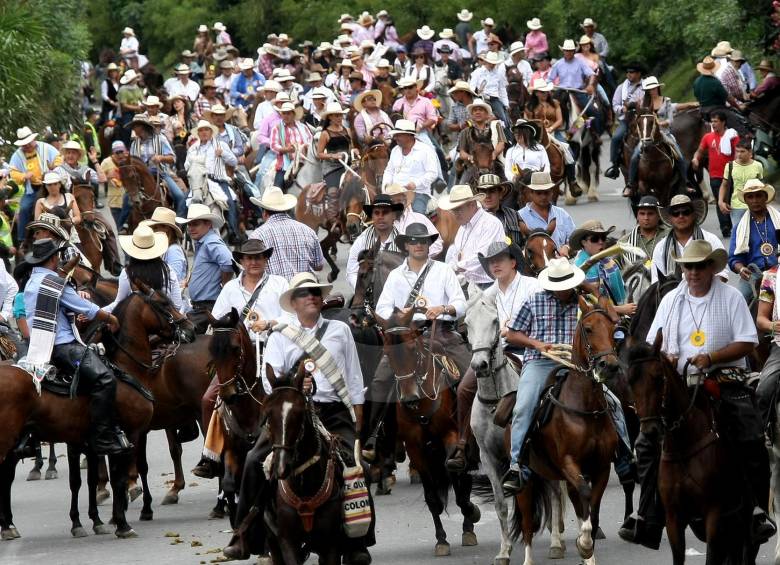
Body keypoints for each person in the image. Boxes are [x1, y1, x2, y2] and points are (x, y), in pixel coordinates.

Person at [223, 272, 373, 564]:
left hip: (331, 410)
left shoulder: (339, 330)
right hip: (290, 412)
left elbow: (353, 376)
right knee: (255, 460)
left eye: (316, 292)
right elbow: (270, 381)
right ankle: (243, 535)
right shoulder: (280, 333)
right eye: (305, 294)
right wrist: (293, 386)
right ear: (293, 302)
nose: (312, 297)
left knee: (359, 466)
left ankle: (359, 542)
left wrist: (358, 417)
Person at [641, 240, 775, 547]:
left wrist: (711, 357)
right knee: (645, 441)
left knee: (750, 435)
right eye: (688, 266)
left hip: (723, 379)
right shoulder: (671, 300)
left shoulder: (730, 298)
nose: (692, 272)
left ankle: (755, 510)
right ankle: (647, 516)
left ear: (712, 268)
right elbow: (654, 346)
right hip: (677, 385)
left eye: (699, 266)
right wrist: (667, 358)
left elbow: (748, 342)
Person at [502, 257, 634, 493]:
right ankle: (516, 465)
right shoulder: (534, 301)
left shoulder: (584, 304)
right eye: (558, 284)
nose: (563, 289)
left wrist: (592, 289)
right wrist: (537, 344)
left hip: (577, 365)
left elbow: (613, 320)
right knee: (524, 406)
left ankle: (625, 455)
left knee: (613, 402)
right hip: (540, 362)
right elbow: (512, 335)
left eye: (567, 284)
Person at [22, 238, 131, 455]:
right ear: (53, 258)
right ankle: (102, 438)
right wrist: (111, 319)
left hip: (38, 347)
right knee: (106, 379)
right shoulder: (55, 284)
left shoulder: (33, 282)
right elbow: (86, 307)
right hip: (64, 348)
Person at [191, 239, 287, 479]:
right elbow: (219, 321)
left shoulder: (279, 284)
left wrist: (270, 323)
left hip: (271, 349)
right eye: (249, 258)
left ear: (266, 259)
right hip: (237, 356)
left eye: (258, 257)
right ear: (241, 261)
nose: (254, 262)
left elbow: (289, 317)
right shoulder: (231, 288)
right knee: (208, 399)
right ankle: (212, 455)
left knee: (291, 393)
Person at [446, 240, 542, 472]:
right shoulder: (486, 295)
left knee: (545, 387)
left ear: (513, 261)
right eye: (491, 262)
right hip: (494, 352)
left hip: (526, 348)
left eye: (500, 260)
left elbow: (541, 319)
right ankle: (463, 444)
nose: (495, 265)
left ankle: (543, 437)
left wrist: (516, 331)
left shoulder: (533, 286)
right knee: (464, 389)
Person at [625, 76, 697, 198]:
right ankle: (630, 184)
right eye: (650, 89)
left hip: (664, 133)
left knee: (679, 156)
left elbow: (670, 119)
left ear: (658, 88)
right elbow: (640, 119)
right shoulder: (642, 103)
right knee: (634, 156)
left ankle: (685, 182)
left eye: (654, 88)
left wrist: (660, 123)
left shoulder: (666, 101)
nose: (652, 90)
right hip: (647, 134)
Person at [103, 224, 183, 314]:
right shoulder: (168, 270)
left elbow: (119, 303)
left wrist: (98, 312)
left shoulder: (127, 273)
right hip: (165, 323)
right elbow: (177, 305)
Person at [248, 187, 324, 280]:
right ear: (285, 209)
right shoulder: (308, 230)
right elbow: (318, 265)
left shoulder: (257, 236)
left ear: (264, 213)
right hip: (306, 290)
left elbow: (254, 271)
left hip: (275, 291)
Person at [651, 195, 729, 283]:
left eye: (686, 212)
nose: (681, 216)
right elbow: (656, 280)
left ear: (693, 215)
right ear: (670, 218)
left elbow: (723, 273)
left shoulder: (710, 239)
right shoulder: (661, 247)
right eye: (675, 213)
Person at [440, 184, 506, 288]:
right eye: (453, 210)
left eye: (459, 209)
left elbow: (482, 257)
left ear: (472, 204)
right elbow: (457, 255)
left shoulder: (491, 223)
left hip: (488, 284)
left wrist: (455, 267)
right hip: (468, 283)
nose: (455, 214)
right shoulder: (462, 228)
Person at [185, 120, 239, 241]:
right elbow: (186, 166)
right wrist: (192, 164)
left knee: (230, 201)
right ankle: (184, 229)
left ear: (211, 132)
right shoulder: (193, 148)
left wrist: (223, 154)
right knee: (184, 202)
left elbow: (234, 161)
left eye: (206, 130)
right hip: (199, 181)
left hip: (218, 180)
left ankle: (232, 231)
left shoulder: (221, 145)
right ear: (198, 133)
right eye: (201, 130)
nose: (204, 132)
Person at [728, 180, 779, 302]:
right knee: (739, 299)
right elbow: (733, 258)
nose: (755, 200)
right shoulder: (739, 227)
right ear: (745, 200)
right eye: (750, 197)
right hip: (753, 275)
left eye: (758, 195)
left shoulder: (778, 219)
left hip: (778, 271)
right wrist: (741, 269)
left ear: (765, 197)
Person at [8, 127, 63, 242]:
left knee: (68, 198)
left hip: (51, 184)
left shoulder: (46, 147)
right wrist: (23, 176)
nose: (27, 146)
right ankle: (22, 240)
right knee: (24, 208)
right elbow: (13, 172)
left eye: (28, 143)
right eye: (24, 145)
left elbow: (59, 158)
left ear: (33, 139)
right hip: (32, 189)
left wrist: (55, 167)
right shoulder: (17, 155)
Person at [571, 220, 636, 315]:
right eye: (595, 239)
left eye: (603, 238)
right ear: (584, 242)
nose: (601, 242)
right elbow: (584, 306)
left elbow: (622, 293)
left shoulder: (610, 263)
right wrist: (620, 309)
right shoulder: (579, 268)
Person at [523, 79, 578, 191]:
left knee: (568, 151)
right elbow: (527, 121)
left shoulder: (555, 103)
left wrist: (551, 128)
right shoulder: (529, 106)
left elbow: (560, 120)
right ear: (536, 93)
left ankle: (572, 181)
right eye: (542, 92)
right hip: (536, 135)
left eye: (546, 91)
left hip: (554, 132)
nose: (545, 94)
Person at [692, 110, 739, 237]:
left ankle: (735, 224)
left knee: (732, 200)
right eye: (712, 121)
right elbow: (699, 151)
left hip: (732, 174)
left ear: (723, 122)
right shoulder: (708, 137)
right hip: (715, 175)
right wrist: (696, 158)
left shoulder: (732, 136)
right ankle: (725, 226)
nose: (713, 124)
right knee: (720, 200)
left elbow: (738, 153)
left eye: (716, 121)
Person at [128, 114, 187, 216]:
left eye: (135, 126)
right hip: (140, 177)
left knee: (180, 196)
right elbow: (131, 162)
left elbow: (172, 158)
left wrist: (161, 158)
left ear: (142, 126)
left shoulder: (160, 139)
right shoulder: (134, 143)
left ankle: (179, 222)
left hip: (160, 173)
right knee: (127, 200)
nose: (133, 129)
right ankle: (123, 225)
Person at [177, 204, 233, 311]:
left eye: (195, 224)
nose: (191, 228)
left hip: (208, 305)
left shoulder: (210, 241)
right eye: (189, 224)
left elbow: (228, 263)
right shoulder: (204, 241)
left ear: (208, 224)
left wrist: (224, 283)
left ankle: (235, 230)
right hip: (205, 305)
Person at [382, 119, 440, 214]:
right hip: (394, 193)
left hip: (418, 193)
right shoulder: (395, 150)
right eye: (395, 135)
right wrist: (386, 185)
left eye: (398, 135)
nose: (395, 138)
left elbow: (433, 173)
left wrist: (416, 184)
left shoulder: (425, 150)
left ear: (409, 135)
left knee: (416, 215)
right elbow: (389, 171)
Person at [346, 195, 403, 289]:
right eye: (376, 213)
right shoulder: (362, 240)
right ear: (372, 216)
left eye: (385, 213)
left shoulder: (403, 241)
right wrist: (365, 289)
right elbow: (351, 272)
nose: (380, 217)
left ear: (393, 215)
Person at [518, 172, 576, 255]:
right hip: (535, 266)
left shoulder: (562, 214)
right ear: (531, 193)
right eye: (539, 193)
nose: (543, 197)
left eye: (546, 192)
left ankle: (572, 180)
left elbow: (574, 240)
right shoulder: (520, 216)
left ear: (551, 192)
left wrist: (566, 247)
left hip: (563, 262)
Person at [605, 63, 645, 180]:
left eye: (632, 72)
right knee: (616, 137)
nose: (629, 75)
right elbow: (615, 104)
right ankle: (614, 165)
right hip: (626, 120)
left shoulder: (646, 86)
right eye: (628, 72)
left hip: (642, 119)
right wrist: (621, 109)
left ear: (638, 74)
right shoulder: (621, 88)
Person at [548, 40, 599, 131]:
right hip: (561, 91)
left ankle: (591, 131)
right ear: (563, 51)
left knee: (592, 110)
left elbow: (592, 74)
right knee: (549, 107)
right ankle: (552, 128)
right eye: (566, 50)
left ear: (574, 51)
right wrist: (549, 85)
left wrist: (591, 85)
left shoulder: (580, 62)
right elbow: (549, 79)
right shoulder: (558, 64)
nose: (568, 52)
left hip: (577, 91)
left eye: (570, 50)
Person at [384, 183, 443, 256]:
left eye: (399, 201)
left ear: (405, 202)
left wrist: (420, 256)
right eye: (392, 202)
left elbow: (437, 243)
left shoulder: (419, 218)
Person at [456, 99, 507, 184]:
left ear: (487, 114)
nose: (477, 112)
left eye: (481, 110)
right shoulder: (465, 132)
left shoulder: (496, 127)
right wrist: (470, 157)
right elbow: (462, 153)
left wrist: (494, 154)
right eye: (475, 110)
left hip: (493, 163)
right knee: (461, 189)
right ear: (471, 115)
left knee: (508, 186)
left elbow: (502, 144)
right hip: (472, 166)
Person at [719, 139, 764, 227]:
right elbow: (724, 185)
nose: (739, 154)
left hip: (754, 205)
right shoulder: (730, 166)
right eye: (737, 151)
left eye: (742, 151)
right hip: (736, 206)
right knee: (738, 233)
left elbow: (761, 186)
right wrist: (720, 201)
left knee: (755, 233)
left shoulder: (758, 165)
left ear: (750, 152)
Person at [268, 102, 312, 191]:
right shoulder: (277, 128)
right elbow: (273, 145)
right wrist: (286, 149)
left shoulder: (303, 127)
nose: (286, 116)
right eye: (284, 113)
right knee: (278, 188)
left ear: (293, 114)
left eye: (288, 113)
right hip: (285, 163)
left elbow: (310, 141)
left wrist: (304, 147)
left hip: (305, 161)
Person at [474, 174, 524, 248]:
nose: (487, 196)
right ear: (479, 195)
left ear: (500, 194)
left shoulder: (514, 215)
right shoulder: (473, 218)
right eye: (483, 191)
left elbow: (525, 241)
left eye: (492, 191)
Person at [618, 196, 669, 265]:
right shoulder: (625, 241)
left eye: (650, 214)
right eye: (642, 214)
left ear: (659, 215)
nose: (646, 218)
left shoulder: (669, 236)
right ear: (637, 217)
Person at [141, 206, 188, 282]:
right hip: (161, 292)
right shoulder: (163, 249)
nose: (152, 231)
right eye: (153, 228)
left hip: (168, 293)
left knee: (180, 198)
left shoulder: (173, 250)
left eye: (156, 228)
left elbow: (173, 279)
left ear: (167, 229)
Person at [469, 52, 511, 130]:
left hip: (494, 99)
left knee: (503, 118)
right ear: (486, 62)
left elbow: (502, 90)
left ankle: (508, 137)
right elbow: (471, 87)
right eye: (491, 63)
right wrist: (476, 94)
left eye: (494, 63)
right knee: (472, 117)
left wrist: (506, 104)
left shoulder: (499, 73)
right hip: (480, 98)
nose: (493, 65)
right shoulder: (477, 72)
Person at [504, 119, 549, 183]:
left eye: (519, 132)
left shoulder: (540, 148)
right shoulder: (510, 151)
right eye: (515, 132)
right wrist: (513, 178)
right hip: (518, 182)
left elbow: (546, 166)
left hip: (536, 182)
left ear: (527, 133)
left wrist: (541, 178)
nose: (516, 135)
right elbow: (507, 170)